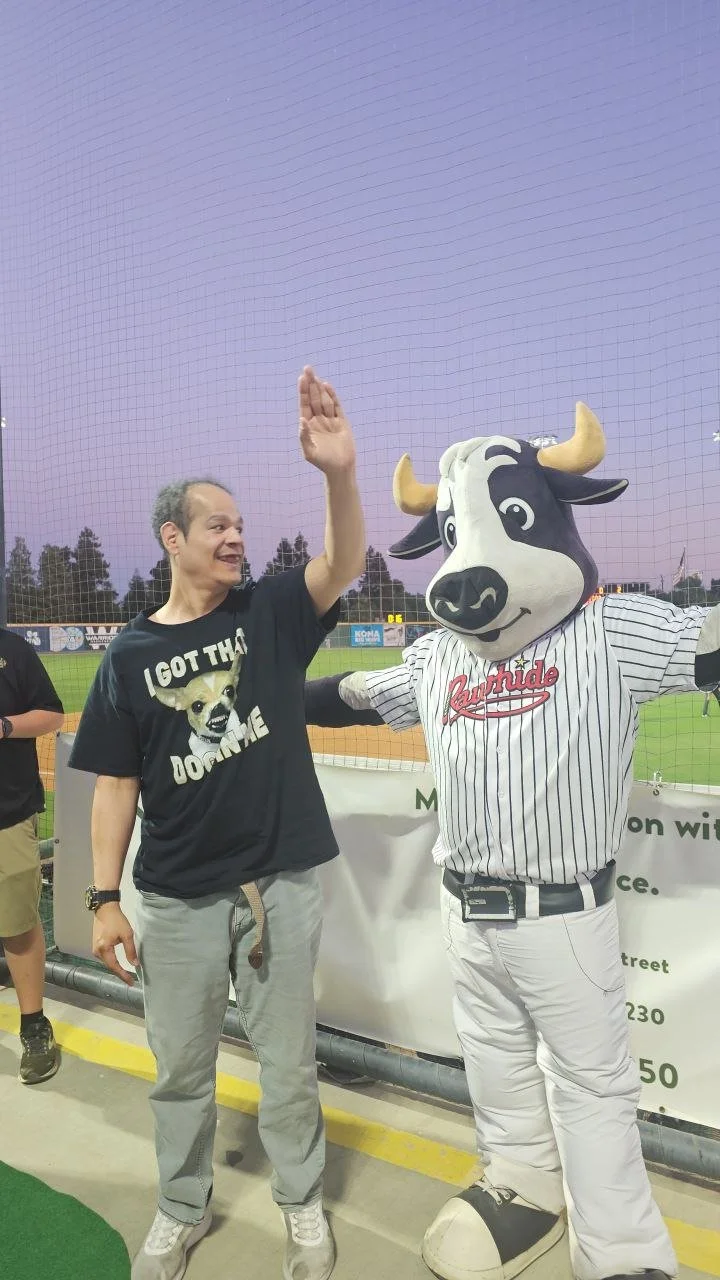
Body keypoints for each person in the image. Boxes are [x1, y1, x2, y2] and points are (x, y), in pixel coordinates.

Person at [305, 403, 720, 1280]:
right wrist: (267, 692)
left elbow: (707, 644)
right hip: (467, 915)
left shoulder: (609, 632)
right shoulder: (440, 658)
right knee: (493, 1063)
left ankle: (620, 1250)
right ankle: (521, 1188)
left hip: (562, 913)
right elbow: (352, 694)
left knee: (592, 1087)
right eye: (457, 533)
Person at [68, 368, 365, 1280]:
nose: (237, 537)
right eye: (218, 526)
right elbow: (115, 786)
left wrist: (338, 473)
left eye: (241, 526)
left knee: (289, 1066)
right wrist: (104, 898)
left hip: (279, 884)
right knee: (180, 1073)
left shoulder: (268, 611)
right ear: (174, 537)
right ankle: (180, 1208)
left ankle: (302, 1206)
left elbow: (343, 564)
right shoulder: (128, 656)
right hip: (176, 901)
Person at [0, 627, 64, 1084]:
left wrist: (4, 726)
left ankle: (34, 1025)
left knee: (18, 922)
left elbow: (51, 715)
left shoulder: (12, 649)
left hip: (8, 810)